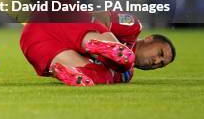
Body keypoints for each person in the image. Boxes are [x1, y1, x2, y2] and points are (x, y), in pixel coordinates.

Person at [20, 11, 175, 86]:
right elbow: (97, 17)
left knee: (102, 75)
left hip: (34, 41)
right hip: (57, 20)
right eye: (160, 53)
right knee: (122, 63)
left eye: (161, 64)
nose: (156, 61)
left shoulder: (126, 75)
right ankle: (105, 47)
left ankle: (69, 72)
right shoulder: (133, 27)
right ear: (150, 39)